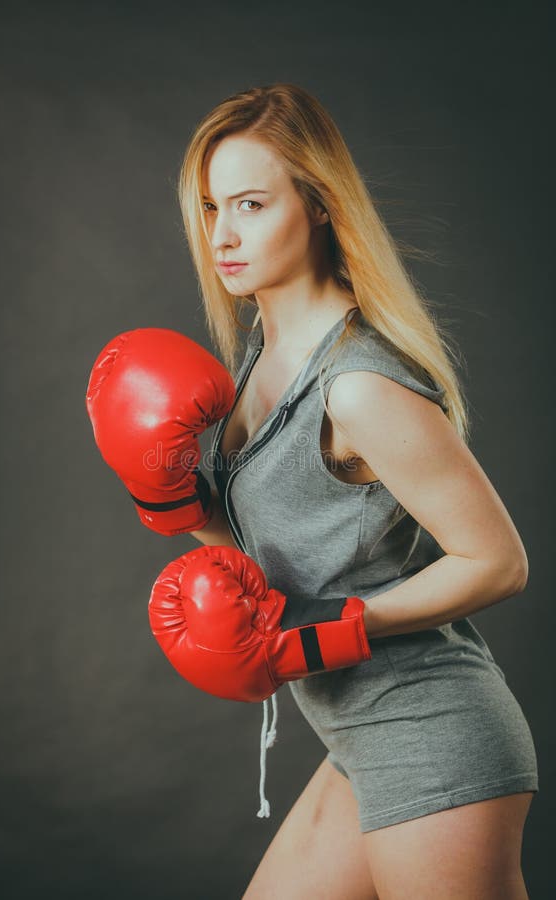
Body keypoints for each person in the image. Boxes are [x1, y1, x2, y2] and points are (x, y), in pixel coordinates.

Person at [173, 83, 539, 899]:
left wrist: (322, 637)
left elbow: (498, 562)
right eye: (208, 207)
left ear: (320, 205)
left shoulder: (357, 385)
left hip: (432, 737)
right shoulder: (263, 355)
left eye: (251, 204)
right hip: (358, 742)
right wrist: (176, 504)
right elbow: (284, 571)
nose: (222, 235)